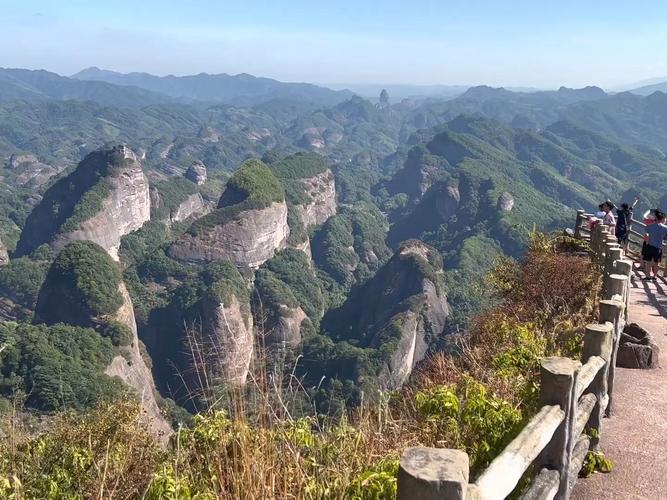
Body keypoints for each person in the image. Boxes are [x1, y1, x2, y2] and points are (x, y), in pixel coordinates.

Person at [642, 210, 667, 280]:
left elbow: (646, 233)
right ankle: (654, 276)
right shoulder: (665, 228)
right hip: (658, 247)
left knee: (648, 262)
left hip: (650, 245)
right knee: (656, 262)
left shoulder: (650, 226)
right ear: (662, 219)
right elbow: (665, 237)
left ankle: (648, 276)